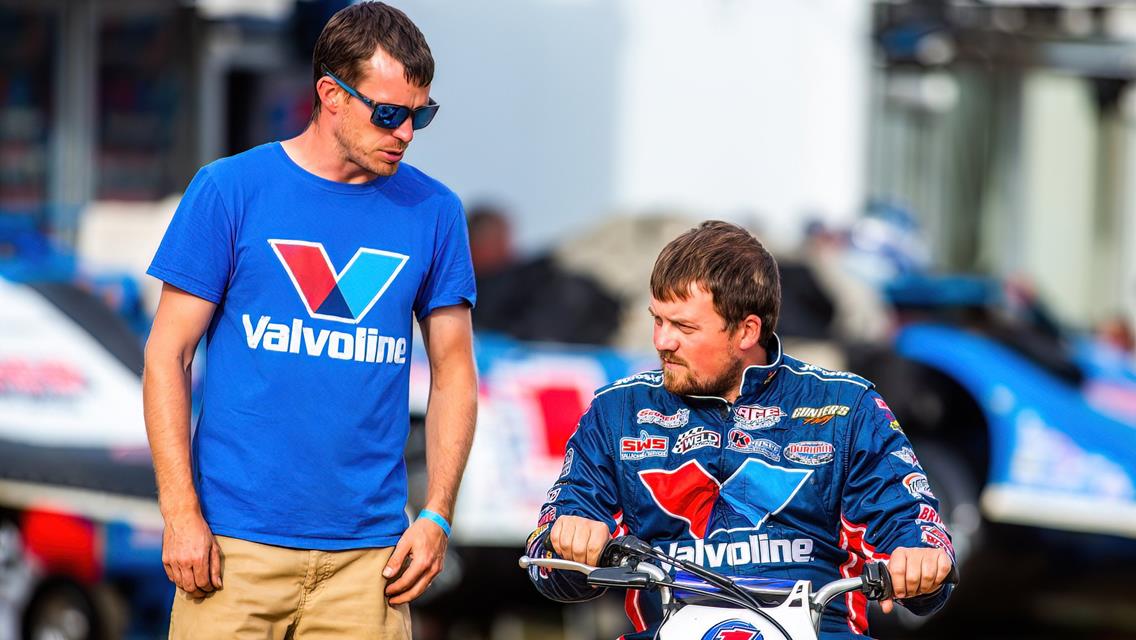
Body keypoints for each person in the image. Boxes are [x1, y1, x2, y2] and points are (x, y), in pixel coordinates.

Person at [142, 3, 477, 638]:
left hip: (370, 563)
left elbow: (455, 370)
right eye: (389, 113)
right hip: (232, 552)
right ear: (331, 95)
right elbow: (167, 356)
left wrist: (437, 514)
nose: (407, 132)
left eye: (421, 114)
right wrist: (180, 513)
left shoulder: (434, 211)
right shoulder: (229, 190)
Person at [526, 221, 955, 639]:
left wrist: (920, 560)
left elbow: (917, 534)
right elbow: (546, 564)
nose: (661, 341)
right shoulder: (618, 412)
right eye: (658, 320)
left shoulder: (846, 409)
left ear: (747, 330)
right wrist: (569, 538)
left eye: (684, 327)